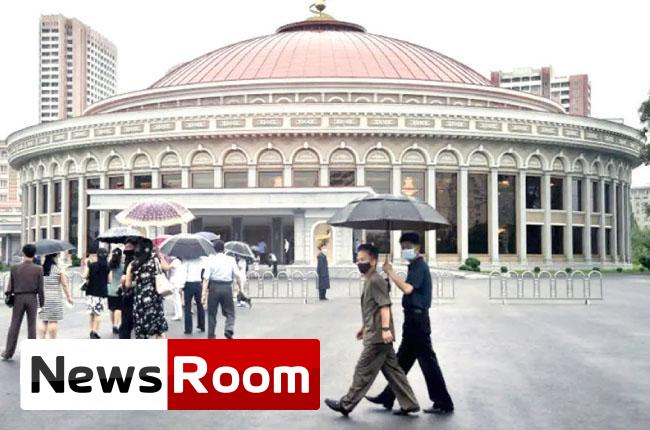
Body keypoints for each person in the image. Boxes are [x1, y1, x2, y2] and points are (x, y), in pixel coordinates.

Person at [324, 244, 419, 416]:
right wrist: (364, 327)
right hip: (376, 333)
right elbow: (373, 309)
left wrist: (385, 329)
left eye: (363, 259)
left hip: (378, 337)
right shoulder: (371, 280)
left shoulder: (375, 281)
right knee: (394, 372)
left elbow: (384, 306)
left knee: (363, 370)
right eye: (358, 259)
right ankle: (409, 403)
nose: (359, 263)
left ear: (373, 261)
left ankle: (346, 404)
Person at [366, 232, 454, 415]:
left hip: (418, 321)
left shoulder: (419, 266)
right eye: (402, 247)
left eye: (408, 247)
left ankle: (443, 402)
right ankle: (388, 396)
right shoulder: (414, 266)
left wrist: (391, 272)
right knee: (402, 361)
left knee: (427, 362)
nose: (405, 250)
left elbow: (407, 289)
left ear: (418, 247)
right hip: (412, 320)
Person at [2, 244, 44, 361]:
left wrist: (9, 296)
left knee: (14, 324)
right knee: (32, 325)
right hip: (32, 298)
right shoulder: (39, 269)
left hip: (18, 298)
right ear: (34, 254)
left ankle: (8, 352)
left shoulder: (15, 268)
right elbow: (41, 288)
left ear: (23, 253)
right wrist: (42, 303)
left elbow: (10, 287)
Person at [124, 238, 169, 339]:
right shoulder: (155, 261)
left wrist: (138, 283)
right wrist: (159, 255)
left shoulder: (133, 264)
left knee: (141, 331)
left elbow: (127, 284)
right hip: (154, 299)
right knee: (159, 330)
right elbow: (166, 267)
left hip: (140, 301)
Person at [202, 240, 240, 339]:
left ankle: (211, 335)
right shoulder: (231, 260)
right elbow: (237, 275)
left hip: (214, 287)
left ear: (214, 249)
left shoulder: (210, 260)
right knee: (230, 311)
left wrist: (203, 294)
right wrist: (240, 288)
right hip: (227, 287)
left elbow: (206, 279)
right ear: (224, 249)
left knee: (211, 313)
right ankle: (229, 328)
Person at [38, 253, 73, 339]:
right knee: (53, 321)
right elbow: (64, 285)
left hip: (42, 298)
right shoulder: (58, 269)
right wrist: (69, 297)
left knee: (43, 320)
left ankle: (41, 339)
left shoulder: (40, 269)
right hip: (54, 298)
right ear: (55, 257)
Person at [83, 248, 110, 339]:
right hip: (101, 292)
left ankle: (91, 331)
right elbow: (109, 280)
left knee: (91, 313)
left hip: (90, 291)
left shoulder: (92, 265)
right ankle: (95, 331)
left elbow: (85, 276)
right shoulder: (107, 267)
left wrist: (86, 266)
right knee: (98, 314)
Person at [179, 256, 206, 334]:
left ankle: (188, 329)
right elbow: (204, 270)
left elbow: (183, 273)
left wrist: (181, 285)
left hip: (188, 284)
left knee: (187, 307)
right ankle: (202, 325)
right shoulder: (201, 259)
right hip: (198, 283)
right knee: (200, 305)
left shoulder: (186, 260)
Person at [119, 238, 137, 339]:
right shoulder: (128, 259)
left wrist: (125, 280)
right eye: (125, 246)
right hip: (129, 293)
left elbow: (127, 282)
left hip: (132, 293)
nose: (126, 249)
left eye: (129, 246)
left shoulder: (133, 261)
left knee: (127, 322)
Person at [107, 248, 124, 335]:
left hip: (110, 290)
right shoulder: (122, 266)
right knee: (119, 308)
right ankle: (116, 325)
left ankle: (113, 324)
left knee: (112, 309)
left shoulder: (109, 266)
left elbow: (107, 278)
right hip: (119, 290)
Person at [167, 256, 185, 322]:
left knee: (176, 299)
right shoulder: (180, 262)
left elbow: (167, 267)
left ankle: (178, 314)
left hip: (175, 283)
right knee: (177, 299)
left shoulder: (175, 261)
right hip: (177, 282)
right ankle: (178, 313)